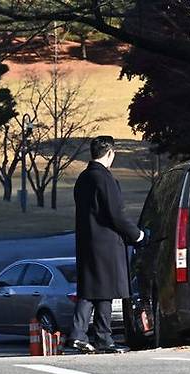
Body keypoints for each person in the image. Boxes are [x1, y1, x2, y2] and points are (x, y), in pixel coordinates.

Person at [69, 136, 144, 353]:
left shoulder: (83, 178)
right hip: (107, 243)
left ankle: (80, 334)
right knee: (106, 289)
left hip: (87, 241)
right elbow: (116, 214)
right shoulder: (105, 179)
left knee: (92, 290)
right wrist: (136, 235)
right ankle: (102, 338)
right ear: (110, 153)